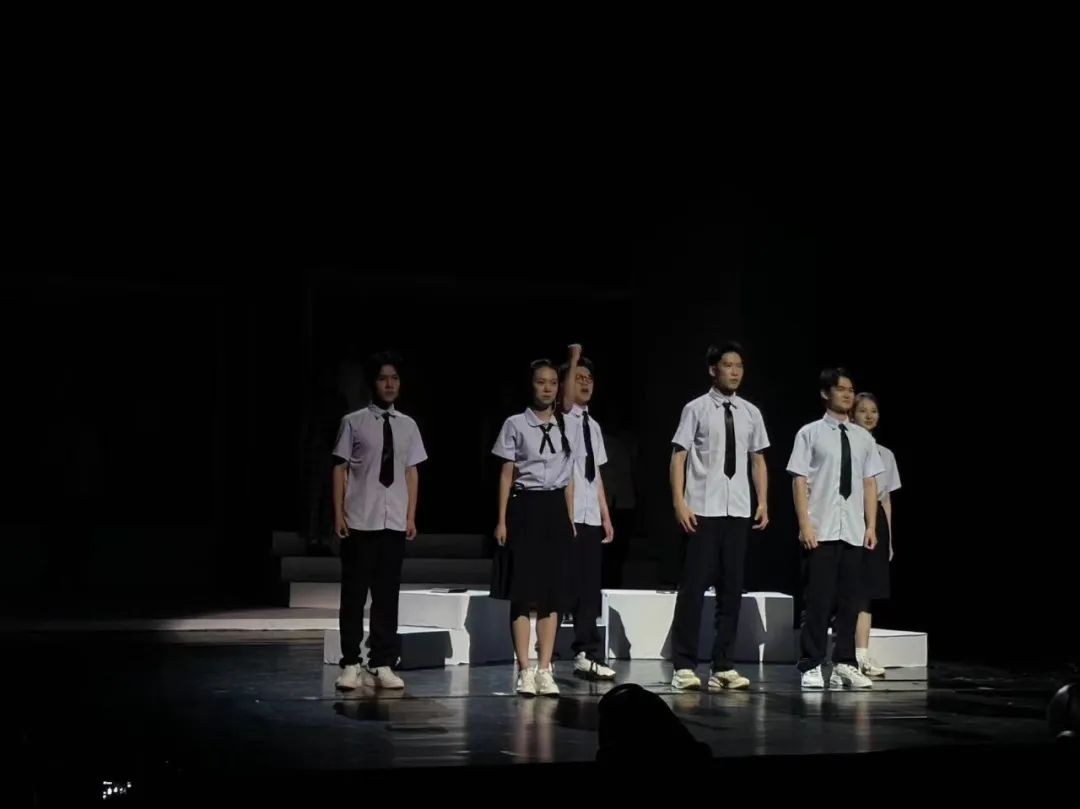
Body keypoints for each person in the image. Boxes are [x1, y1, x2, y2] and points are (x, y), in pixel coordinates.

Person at [668, 342, 770, 691]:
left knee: (732, 590)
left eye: (739, 365)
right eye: (728, 365)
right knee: (693, 589)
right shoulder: (696, 408)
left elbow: (758, 459)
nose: (735, 371)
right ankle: (684, 665)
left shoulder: (750, 412)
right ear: (714, 370)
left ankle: (723, 665)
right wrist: (680, 503)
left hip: (737, 509)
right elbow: (678, 456)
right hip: (702, 508)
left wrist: (763, 501)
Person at [332, 351, 427, 691]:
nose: (390, 384)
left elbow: (411, 471)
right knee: (354, 595)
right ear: (373, 383)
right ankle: (351, 662)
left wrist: (410, 514)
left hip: (394, 521)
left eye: (395, 378)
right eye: (383, 378)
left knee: (387, 596)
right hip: (361, 518)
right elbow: (340, 468)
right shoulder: (353, 421)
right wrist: (338, 513)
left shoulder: (408, 425)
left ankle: (382, 661)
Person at [492, 350, 583, 697]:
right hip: (525, 506)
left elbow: (569, 478)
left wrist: (569, 518)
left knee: (551, 595)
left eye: (553, 383)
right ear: (530, 386)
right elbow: (506, 474)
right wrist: (502, 520)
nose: (547, 388)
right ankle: (525, 669)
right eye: (541, 382)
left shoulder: (567, 424)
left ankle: (545, 668)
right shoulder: (515, 424)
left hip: (554, 509)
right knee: (522, 592)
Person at [787, 368, 880, 689]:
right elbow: (799, 480)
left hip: (852, 529)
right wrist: (805, 524)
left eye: (851, 389)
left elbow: (869, 483)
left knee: (849, 601)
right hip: (821, 528)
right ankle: (811, 663)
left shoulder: (863, 437)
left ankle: (844, 663)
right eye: (841, 389)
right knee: (818, 601)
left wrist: (871, 525)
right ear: (826, 393)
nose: (848, 394)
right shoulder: (810, 433)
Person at [560, 350, 617, 680]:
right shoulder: (560, 419)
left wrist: (605, 515)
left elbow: (595, 475)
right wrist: (574, 358)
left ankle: (587, 652)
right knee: (562, 584)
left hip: (590, 515)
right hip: (565, 513)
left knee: (589, 587)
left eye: (589, 379)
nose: (585, 384)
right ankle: (545, 654)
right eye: (578, 378)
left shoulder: (592, 426)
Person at [850, 392, 901, 677]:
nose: (869, 416)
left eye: (874, 411)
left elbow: (886, 500)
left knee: (866, 592)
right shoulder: (847, 447)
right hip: (849, 514)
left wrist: (889, 538)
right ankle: (837, 655)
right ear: (852, 414)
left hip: (875, 521)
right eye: (863, 411)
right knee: (845, 587)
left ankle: (862, 655)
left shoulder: (886, 455)